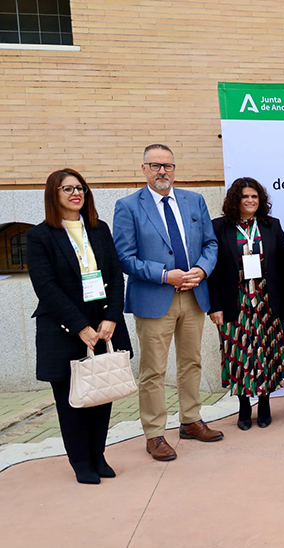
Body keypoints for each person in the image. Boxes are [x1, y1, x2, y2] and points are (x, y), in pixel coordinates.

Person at [113, 144, 222, 462]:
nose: (163, 171)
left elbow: (210, 243)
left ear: (175, 169)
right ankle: (155, 434)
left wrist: (201, 269)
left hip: (193, 295)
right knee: (153, 370)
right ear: (144, 168)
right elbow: (125, 257)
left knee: (192, 362)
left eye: (169, 166)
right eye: (156, 165)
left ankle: (190, 420)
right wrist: (165, 275)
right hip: (154, 297)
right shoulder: (128, 206)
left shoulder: (194, 201)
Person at [27, 169, 133, 484]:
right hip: (65, 330)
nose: (76, 193)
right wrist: (80, 327)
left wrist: (112, 317)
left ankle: (98, 455)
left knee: (103, 394)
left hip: (105, 326)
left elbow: (115, 274)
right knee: (72, 401)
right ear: (53, 194)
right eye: (68, 188)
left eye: (80, 188)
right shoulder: (39, 236)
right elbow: (45, 287)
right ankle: (81, 462)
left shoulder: (99, 230)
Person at [207, 178, 284, 430]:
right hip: (236, 303)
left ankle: (265, 403)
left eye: (254, 197)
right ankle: (244, 406)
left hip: (267, 303)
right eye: (245, 196)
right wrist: (214, 307)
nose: (250, 201)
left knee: (266, 353)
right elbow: (212, 272)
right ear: (235, 199)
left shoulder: (271, 226)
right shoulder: (219, 228)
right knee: (239, 355)